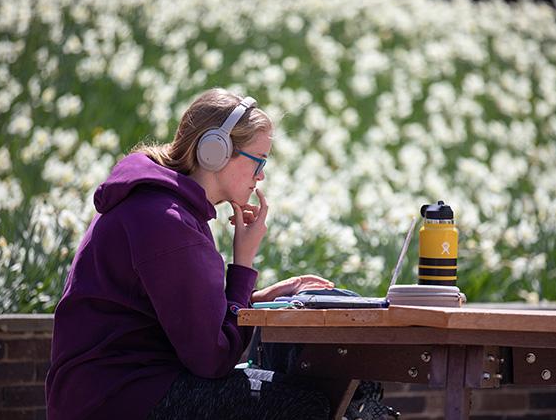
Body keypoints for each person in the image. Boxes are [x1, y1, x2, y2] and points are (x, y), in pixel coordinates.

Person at [45, 88, 337, 420]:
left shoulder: (161, 206)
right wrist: (243, 263)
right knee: (305, 405)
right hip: (119, 398)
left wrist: (256, 299)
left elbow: (191, 321)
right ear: (215, 151)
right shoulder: (166, 221)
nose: (262, 176)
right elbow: (213, 359)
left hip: (112, 389)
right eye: (259, 161)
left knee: (303, 387)